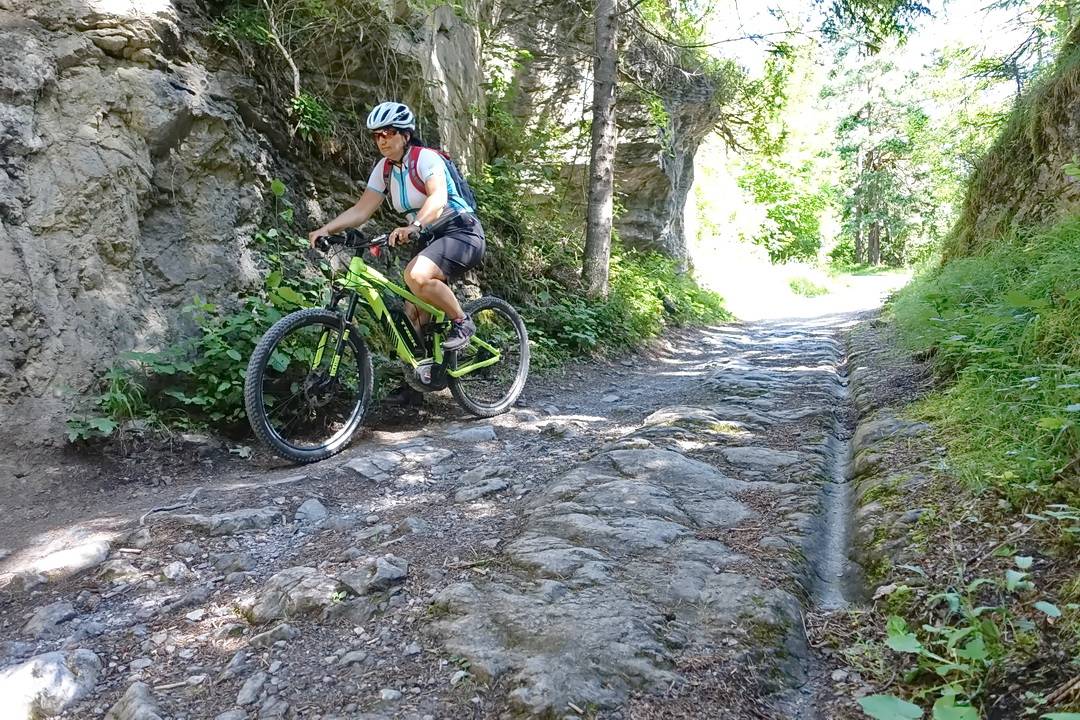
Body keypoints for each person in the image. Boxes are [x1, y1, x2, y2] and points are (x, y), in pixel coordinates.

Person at [307, 101, 485, 355]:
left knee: (416, 276)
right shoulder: (384, 169)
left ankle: (462, 321)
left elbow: (438, 199)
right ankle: (417, 384)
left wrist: (414, 225)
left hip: (461, 230)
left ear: (405, 135)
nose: (382, 140)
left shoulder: (426, 158)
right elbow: (361, 211)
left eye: (388, 133)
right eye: (377, 135)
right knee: (413, 311)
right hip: (429, 237)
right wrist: (326, 229)